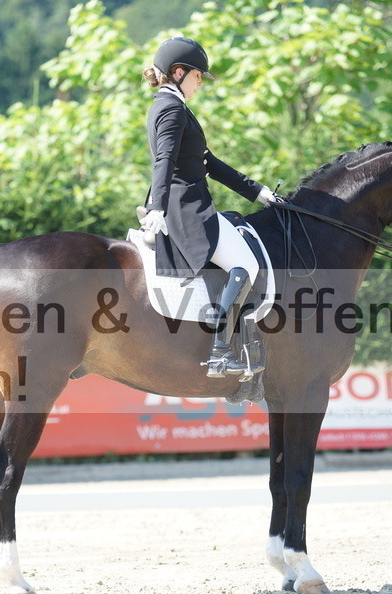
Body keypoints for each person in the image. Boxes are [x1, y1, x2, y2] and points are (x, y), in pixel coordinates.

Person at [141, 36, 276, 378]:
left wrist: (257, 192)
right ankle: (219, 352)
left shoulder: (174, 106)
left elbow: (208, 162)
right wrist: (157, 207)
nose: (201, 81)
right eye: (197, 74)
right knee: (246, 264)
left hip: (184, 202)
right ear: (178, 72)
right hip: (184, 208)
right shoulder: (171, 108)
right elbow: (164, 159)